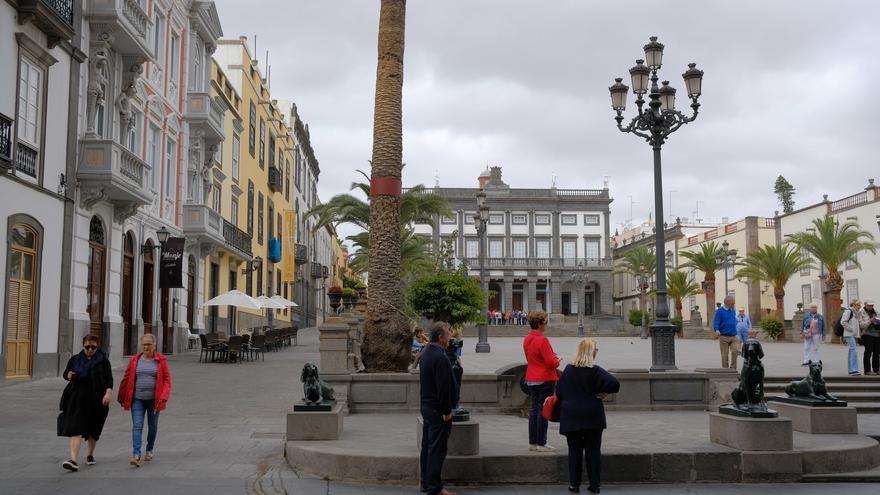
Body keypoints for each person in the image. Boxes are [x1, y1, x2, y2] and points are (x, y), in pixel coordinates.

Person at [557, 338, 620, 494]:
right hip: (593, 415)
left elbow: (559, 393)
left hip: (571, 415)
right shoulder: (596, 370)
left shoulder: (568, 370)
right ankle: (594, 485)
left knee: (574, 451)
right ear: (592, 353)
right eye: (596, 350)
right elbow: (614, 383)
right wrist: (604, 391)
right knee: (593, 451)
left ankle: (574, 484)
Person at [58, 335, 113, 472]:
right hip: (76, 398)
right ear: (83, 346)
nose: (90, 349)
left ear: (97, 346)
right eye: (87, 347)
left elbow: (109, 380)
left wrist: (107, 394)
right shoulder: (75, 360)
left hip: (97, 398)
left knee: (93, 429)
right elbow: (66, 373)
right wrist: (68, 375)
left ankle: (90, 454)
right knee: (75, 428)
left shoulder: (103, 361)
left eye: (93, 347)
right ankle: (73, 460)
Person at [118, 334, 172, 467]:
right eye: (144, 344)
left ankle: (149, 449)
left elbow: (167, 380)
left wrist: (163, 397)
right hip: (137, 399)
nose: (146, 347)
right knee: (137, 426)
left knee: (152, 426)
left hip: (155, 400)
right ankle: (136, 454)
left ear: (154, 345)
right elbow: (126, 378)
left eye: (148, 344)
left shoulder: (161, 361)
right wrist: (121, 396)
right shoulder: (135, 360)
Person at [419, 321, 459, 495]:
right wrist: (446, 412)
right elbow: (443, 388)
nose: (451, 337)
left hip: (427, 407)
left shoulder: (427, 352)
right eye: (448, 334)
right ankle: (435, 488)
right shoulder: (440, 357)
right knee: (436, 449)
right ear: (441, 337)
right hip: (438, 411)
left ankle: (425, 482)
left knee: (427, 447)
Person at [523, 310, 561, 452]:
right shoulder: (542, 340)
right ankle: (541, 443)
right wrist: (557, 360)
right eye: (545, 322)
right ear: (539, 324)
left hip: (531, 377)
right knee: (543, 410)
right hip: (545, 378)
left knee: (533, 410)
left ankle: (532, 443)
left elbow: (531, 358)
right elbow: (551, 363)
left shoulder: (527, 339)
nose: (546, 325)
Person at [713, 296, 739, 369]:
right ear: (728, 303)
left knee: (735, 351)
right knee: (724, 355)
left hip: (734, 335)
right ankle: (725, 370)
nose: (734, 304)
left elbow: (734, 320)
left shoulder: (733, 310)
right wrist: (717, 330)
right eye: (733, 303)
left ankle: (733, 368)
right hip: (723, 336)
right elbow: (716, 321)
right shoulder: (720, 311)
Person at [840, 300, 862, 376]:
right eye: (858, 305)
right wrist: (851, 329)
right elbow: (843, 322)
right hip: (849, 334)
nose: (860, 306)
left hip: (853, 334)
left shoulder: (856, 313)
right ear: (854, 305)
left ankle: (851, 369)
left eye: (860, 305)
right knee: (854, 350)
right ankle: (853, 369)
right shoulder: (848, 311)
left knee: (852, 350)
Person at [860, 300, 880, 375]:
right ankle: (867, 370)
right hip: (867, 334)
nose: (871, 307)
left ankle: (876, 369)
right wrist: (870, 321)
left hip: (877, 334)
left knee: (877, 353)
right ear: (865, 305)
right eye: (869, 305)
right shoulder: (861, 312)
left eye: (872, 305)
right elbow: (861, 325)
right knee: (868, 352)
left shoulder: (876, 312)